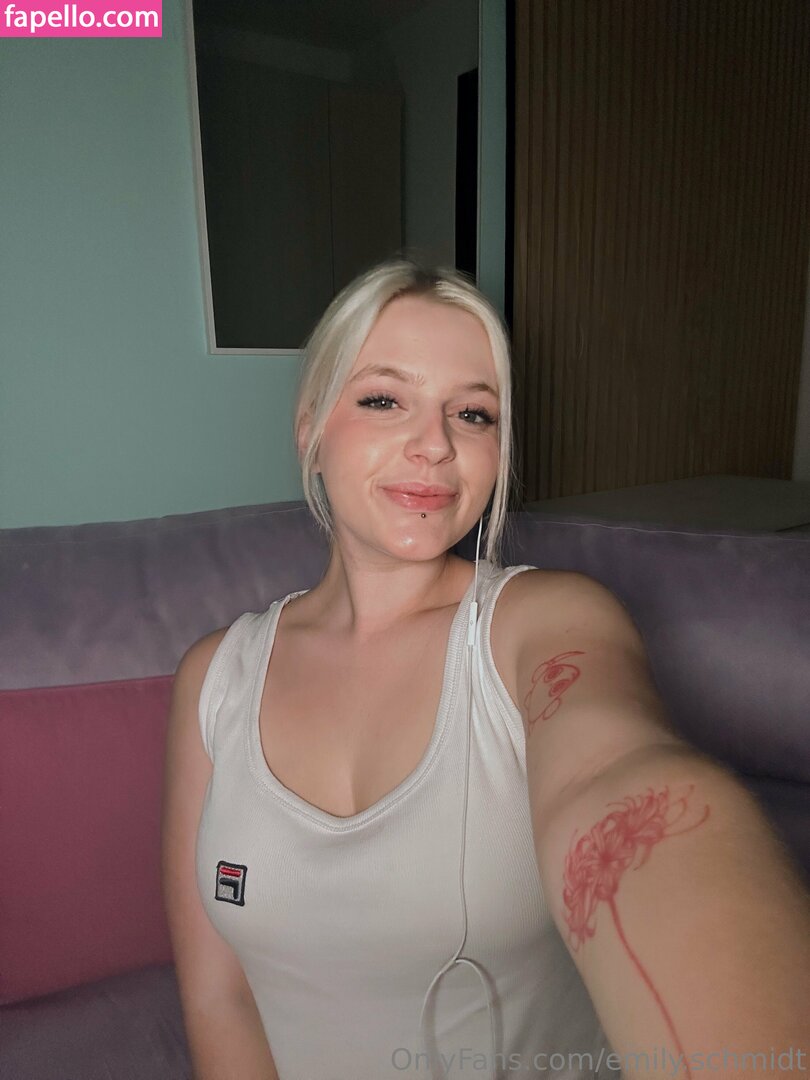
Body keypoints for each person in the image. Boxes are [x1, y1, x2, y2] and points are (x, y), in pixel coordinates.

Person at [162, 261, 810, 1080]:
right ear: (310, 429)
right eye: (385, 399)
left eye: (473, 413)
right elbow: (219, 999)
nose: (436, 444)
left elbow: (619, 775)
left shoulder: (548, 622)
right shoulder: (215, 677)